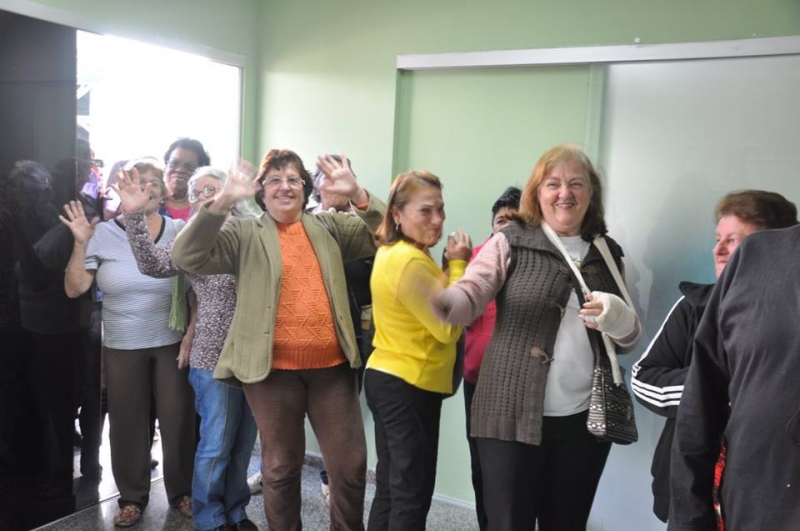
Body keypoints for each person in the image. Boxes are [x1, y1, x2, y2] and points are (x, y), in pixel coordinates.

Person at [170, 149, 384, 531]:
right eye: (274, 180)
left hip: (332, 371)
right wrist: (223, 200)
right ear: (261, 192)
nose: (285, 187)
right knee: (281, 468)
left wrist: (357, 194)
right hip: (272, 374)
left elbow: (386, 233)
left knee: (350, 468)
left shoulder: (330, 227)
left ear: (305, 188)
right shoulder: (243, 233)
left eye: (293, 179)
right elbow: (186, 254)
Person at [430, 144, 641, 531]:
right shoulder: (510, 240)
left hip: (583, 423)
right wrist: (442, 301)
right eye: (553, 184)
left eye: (576, 183)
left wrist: (615, 315)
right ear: (537, 193)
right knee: (509, 523)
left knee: (567, 523)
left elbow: (629, 340)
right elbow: (472, 292)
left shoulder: (608, 253)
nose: (565, 193)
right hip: (508, 416)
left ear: (591, 193)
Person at [631, 190, 798, 525]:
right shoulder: (693, 306)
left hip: (766, 493)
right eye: (717, 239)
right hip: (689, 488)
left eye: (733, 241)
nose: (718, 250)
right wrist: (713, 390)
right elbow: (643, 377)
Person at [115, 165, 260, 531]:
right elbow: (151, 263)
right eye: (198, 193)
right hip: (213, 357)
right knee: (217, 444)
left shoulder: (252, 232)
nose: (205, 197)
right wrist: (134, 215)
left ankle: (237, 511)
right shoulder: (191, 241)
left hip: (256, 355)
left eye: (213, 189)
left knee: (243, 445)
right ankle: (210, 517)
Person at [61, 158, 195, 528]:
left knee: (178, 418)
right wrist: (80, 242)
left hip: (171, 340)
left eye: (152, 182)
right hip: (122, 342)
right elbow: (75, 288)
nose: (144, 188)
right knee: (126, 421)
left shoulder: (178, 230)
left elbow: (196, 288)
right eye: (136, 181)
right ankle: (132, 497)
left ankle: (182, 491)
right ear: (121, 190)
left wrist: (191, 334)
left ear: (162, 192)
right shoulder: (102, 233)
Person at [668, 221, 800, 530]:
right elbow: (701, 402)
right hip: (754, 509)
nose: (719, 249)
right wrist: (688, 520)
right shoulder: (755, 256)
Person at [364, 170, 472, 530]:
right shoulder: (410, 261)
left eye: (440, 209)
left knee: (392, 488)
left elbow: (424, 308)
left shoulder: (395, 253)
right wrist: (459, 266)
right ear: (397, 214)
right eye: (425, 210)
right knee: (411, 493)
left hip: (391, 379)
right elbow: (448, 326)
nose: (437, 219)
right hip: (408, 385)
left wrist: (444, 270)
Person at [462, 185, 521, 531]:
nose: (507, 228)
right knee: (480, 465)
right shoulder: (475, 258)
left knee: (515, 471)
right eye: (501, 221)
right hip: (477, 379)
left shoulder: (535, 264)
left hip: (519, 383)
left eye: (515, 221)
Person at [161, 138, 211, 221]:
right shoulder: (149, 203)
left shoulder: (205, 209)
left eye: (190, 166)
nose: (180, 170)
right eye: (174, 163)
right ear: (165, 167)